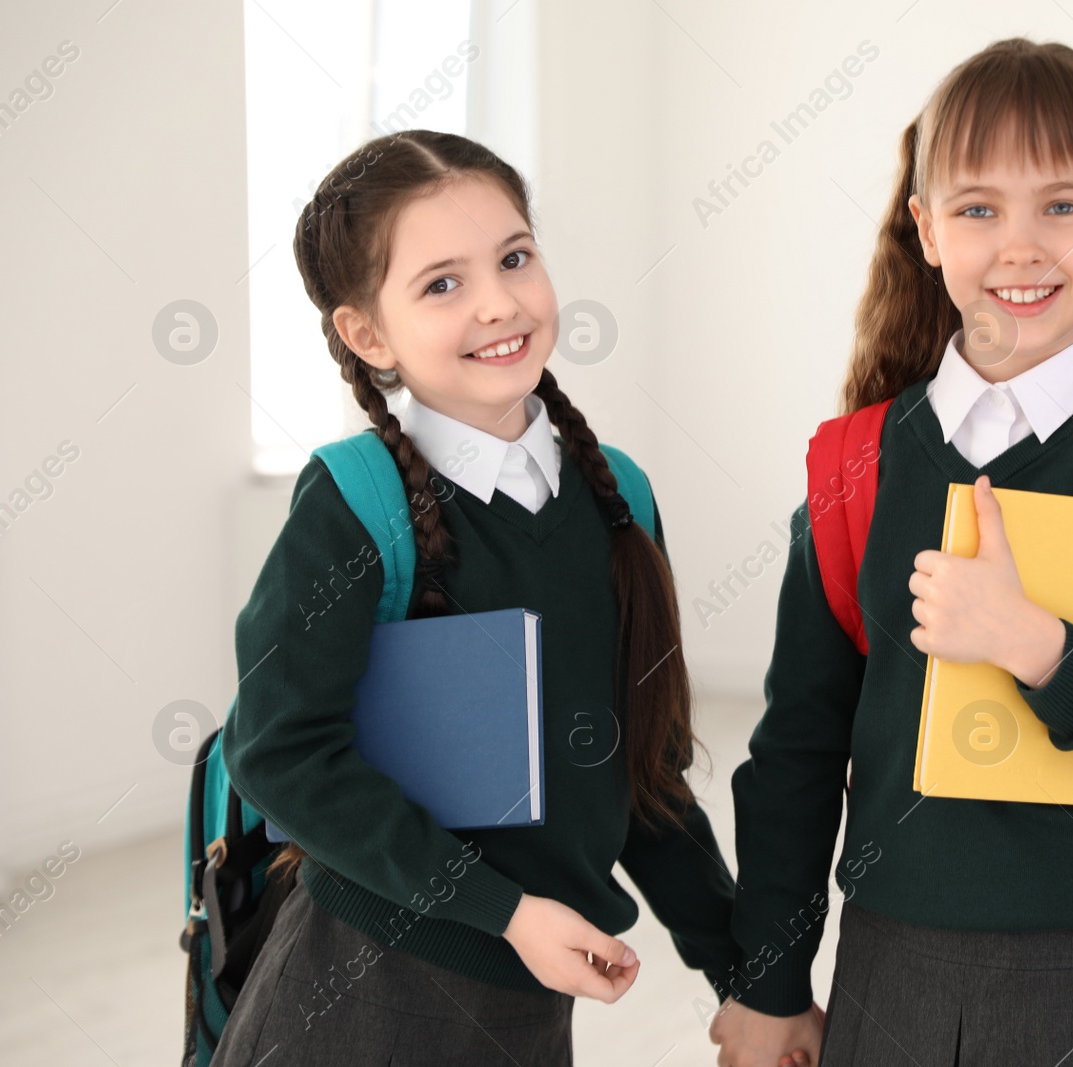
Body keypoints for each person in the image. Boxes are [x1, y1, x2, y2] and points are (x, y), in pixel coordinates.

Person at [710, 37, 1073, 1066]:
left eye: (1061, 206)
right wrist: (768, 983)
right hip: (894, 969)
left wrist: (1044, 652)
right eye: (978, 208)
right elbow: (799, 746)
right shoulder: (857, 462)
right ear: (926, 229)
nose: (1019, 247)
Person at [213, 129, 773, 1065]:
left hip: (524, 1010)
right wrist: (503, 913)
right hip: (355, 999)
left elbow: (647, 780)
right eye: (442, 283)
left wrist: (747, 981)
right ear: (366, 333)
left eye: (515, 257)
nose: (499, 302)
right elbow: (277, 751)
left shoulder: (618, 497)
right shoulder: (353, 501)